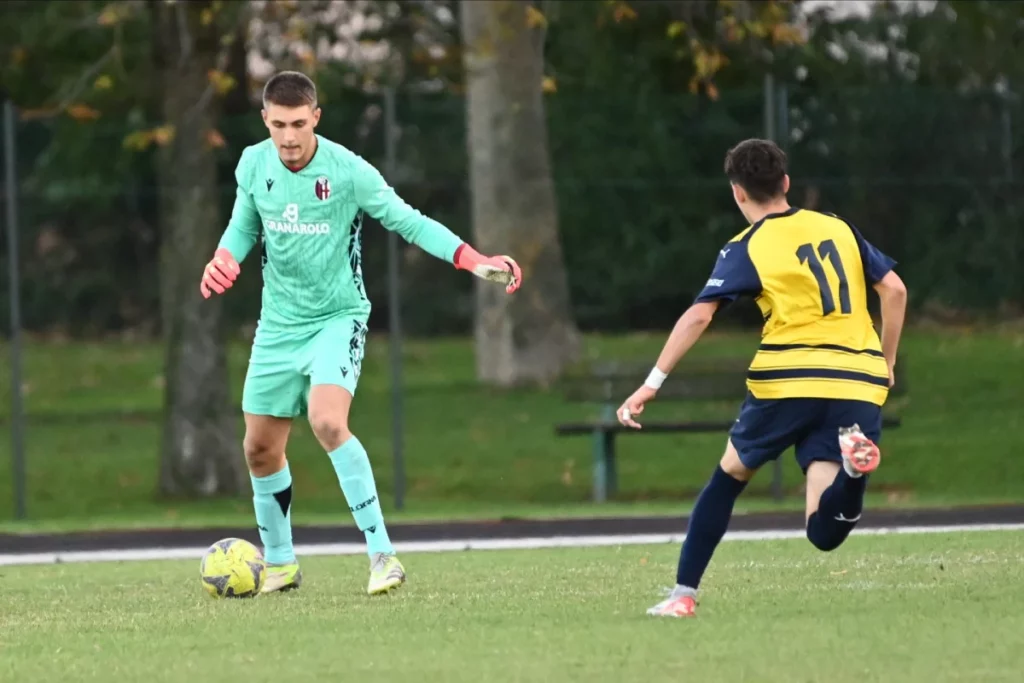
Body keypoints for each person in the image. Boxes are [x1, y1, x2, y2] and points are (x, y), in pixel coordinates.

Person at [199, 71, 522, 596]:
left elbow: (409, 221)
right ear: (265, 120)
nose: (288, 137)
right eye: (278, 124)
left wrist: (474, 259)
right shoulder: (252, 164)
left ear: (316, 119)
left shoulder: (348, 171)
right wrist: (223, 258)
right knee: (259, 449)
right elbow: (243, 226)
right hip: (278, 326)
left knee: (327, 421)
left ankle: (382, 556)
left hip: (337, 318)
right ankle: (280, 564)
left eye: (298, 124)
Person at [619, 138, 907, 618]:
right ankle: (854, 474)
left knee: (729, 477)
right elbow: (894, 290)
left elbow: (698, 317)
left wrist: (652, 382)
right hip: (856, 381)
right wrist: (886, 361)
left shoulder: (747, 246)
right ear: (787, 184)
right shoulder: (837, 228)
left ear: (738, 193)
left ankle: (683, 594)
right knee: (822, 531)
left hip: (788, 381)